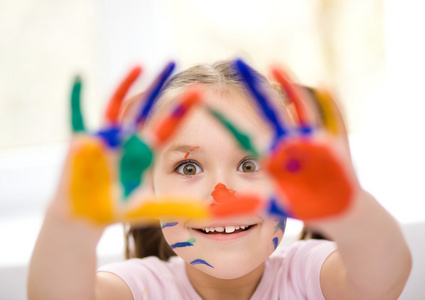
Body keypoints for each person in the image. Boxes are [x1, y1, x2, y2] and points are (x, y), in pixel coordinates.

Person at [28, 60, 411, 300]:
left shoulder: (309, 275)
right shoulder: (140, 287)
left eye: (249, 165)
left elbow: (384, 278)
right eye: (189, 168)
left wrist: (350, 210)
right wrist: (70, 223)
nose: (222, 195)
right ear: (150, 185)